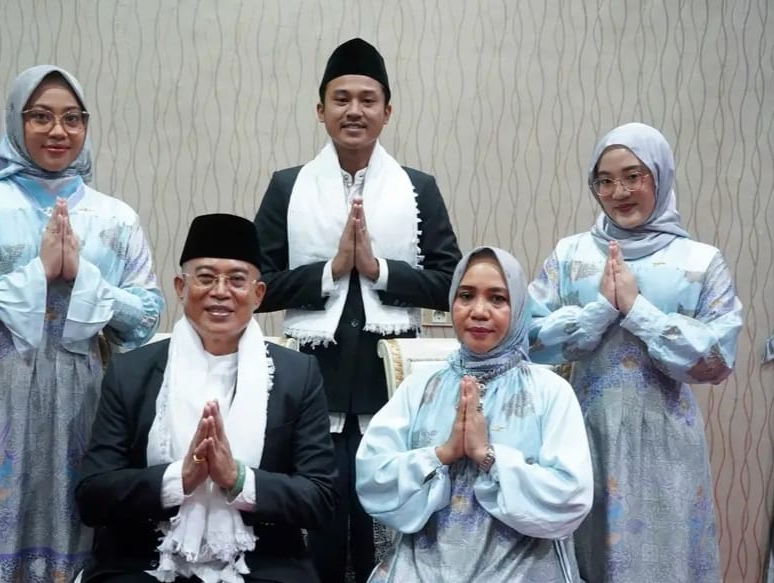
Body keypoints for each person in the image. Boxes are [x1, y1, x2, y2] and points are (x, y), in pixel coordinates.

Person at [0, 65, 165, 582]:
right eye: (41, 116)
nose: (58, 131)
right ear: (15, 121)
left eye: (72, 118)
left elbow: (146, 316)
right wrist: (33, 276)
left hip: (83, 400)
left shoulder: (116, 218)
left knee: (75, 533)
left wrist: (84, 278)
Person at [253, 37, 461, 583]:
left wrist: (378, 270)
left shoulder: (418, 189)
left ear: (387, 112)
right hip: (310, 385)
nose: (354, 110)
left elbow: (451, 284)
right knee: (315, 525)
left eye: (368, 100)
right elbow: (256, 287)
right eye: (341, 99)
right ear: (320, 110)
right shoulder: (287, 187)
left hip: (389, 386)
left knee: (383, 527)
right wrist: (330, 270)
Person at [527, 122, 744, 582]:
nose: (619, 192)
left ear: (660, 176)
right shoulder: (571, 255)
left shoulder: (700, 261)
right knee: (582, 554)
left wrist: (638, 310)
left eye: (633, 176)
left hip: (666, 441)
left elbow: (718, 359)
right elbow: (529, 339)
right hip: (583, 433)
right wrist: (599, 311)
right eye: (604, 180)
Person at [75, 213, 337, 583]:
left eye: (237, 280)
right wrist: (177, 479)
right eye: (206, 277)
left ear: (258, 294)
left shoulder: (298, 375)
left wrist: (238, 479)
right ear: (180, 287)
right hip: (145, 561)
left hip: (263, 564)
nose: (220, 291)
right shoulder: (131, 373)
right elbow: (92, 496)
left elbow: (321, 499)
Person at [354, 246, 593, 582]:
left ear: (518, 308)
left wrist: (487, 456)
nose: (479, 311)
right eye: (466, 296)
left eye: (497, 299)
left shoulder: (550, 391)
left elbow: (570, 496)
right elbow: (372, 478)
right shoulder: (422, 385)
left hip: (523, 565)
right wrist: (442, 454)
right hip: (424, 564)